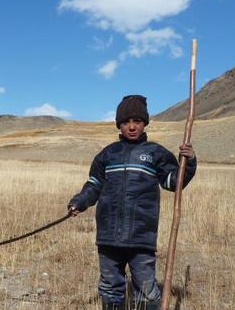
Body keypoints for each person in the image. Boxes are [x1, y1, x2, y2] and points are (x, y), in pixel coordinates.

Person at [67, 95, 197, 310]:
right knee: (110, 286)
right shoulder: (107, 154)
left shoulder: (156, 153)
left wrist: (189, 162)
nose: (132, 127)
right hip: (108, 235)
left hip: (141, 236)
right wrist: (79, 202)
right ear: (119, 124)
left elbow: (174, 182)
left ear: (145, 123)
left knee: (146, 288)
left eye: (137, 121)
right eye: (126, 122)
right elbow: (94, 184)